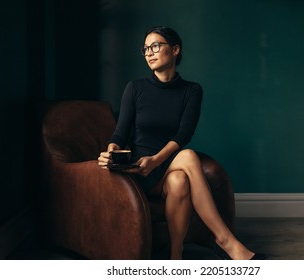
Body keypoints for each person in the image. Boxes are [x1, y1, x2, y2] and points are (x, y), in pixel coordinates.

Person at [98, 26, 258, 260]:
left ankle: (176, 258)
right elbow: (119, 134)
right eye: (145, 49)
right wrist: (111, 152)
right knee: (189, 156)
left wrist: (157, 161)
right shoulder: (135, 88)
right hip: (140, 169)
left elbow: (183, 135)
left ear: (175, 49)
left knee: (179, 180)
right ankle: (226, 241)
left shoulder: (192, 91)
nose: (149, 53)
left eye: (155, 46)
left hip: (165, 166)